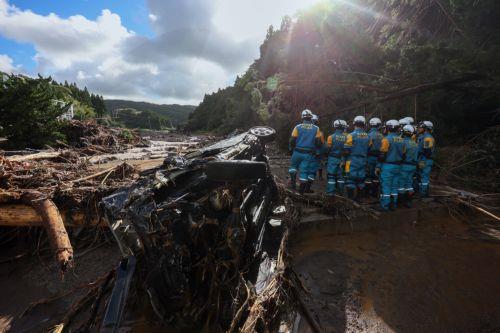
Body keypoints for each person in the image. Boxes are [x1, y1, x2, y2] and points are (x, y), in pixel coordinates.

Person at [289, 109, 323, 194]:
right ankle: (301, 192)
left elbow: (292, 140)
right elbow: (318, 142)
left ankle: (293, 184)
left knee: (293, 167)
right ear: (311, 117)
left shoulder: (297, 127)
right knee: (304, 172)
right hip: (308, 154)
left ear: (302, 117)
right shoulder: (316, 128)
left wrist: (291, 149)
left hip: (297, 151)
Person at [379, 120, 405, 211]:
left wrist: (378, 166)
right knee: (394, 186)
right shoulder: (401, 140)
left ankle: (385, 206)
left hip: (387, 166)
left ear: (389, 128)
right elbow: (404, 154)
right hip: (398, 166)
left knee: (386, 186)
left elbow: (382, 156)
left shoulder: (386, 139)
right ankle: (393, 204)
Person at [343, 116, 370, 200]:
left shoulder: (351, 135)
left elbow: (346, 150)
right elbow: (369, 147)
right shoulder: (368, 136)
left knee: (350, 179)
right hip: (363, 160)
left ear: (354, 123)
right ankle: (359, 199)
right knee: (361, 180)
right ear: (364, 124)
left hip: (351, 160)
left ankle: (351, 200)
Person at [325, 119, 348, 196]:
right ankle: (340, 193)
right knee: (341, 176)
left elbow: (327, 149)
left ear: (335, 126)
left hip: (332, 158)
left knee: (331, 175)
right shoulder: (347, 137)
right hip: (343, 159)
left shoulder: (331, 137)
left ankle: (330, 192)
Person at [398, 125, 418, 207]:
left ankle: (401, 202)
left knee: (401, 184)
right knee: (409, 183)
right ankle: (409, 201)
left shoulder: (403, 142)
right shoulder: (415, 143)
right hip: (413, 166)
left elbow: (402, 155)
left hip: (404, 165)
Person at [306, 114, 325, 193]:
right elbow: (320, 142)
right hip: (315, 150)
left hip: (307, 150)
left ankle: (308, 178)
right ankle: (317, 176)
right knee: (318, 163)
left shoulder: (306, 129)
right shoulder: (317, 130)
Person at [417, 121, 435, 197]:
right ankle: (422, 192)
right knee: (423, 175)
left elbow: (427, 150)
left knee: (423, 176)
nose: (419, 128)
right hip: (423, 159)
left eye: (421, 127)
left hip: (425, 159)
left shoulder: (427, 138)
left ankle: (423, 193)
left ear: (426, 128)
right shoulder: (423, 137)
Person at [366, 117, 383, 196]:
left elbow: (367, 147)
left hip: (369, 157)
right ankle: (375, 193)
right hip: (379, 158)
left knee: (368, 175)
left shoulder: (368, 135)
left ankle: (367, 193)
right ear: (378, 125)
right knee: (376, 176)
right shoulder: (382, 136)